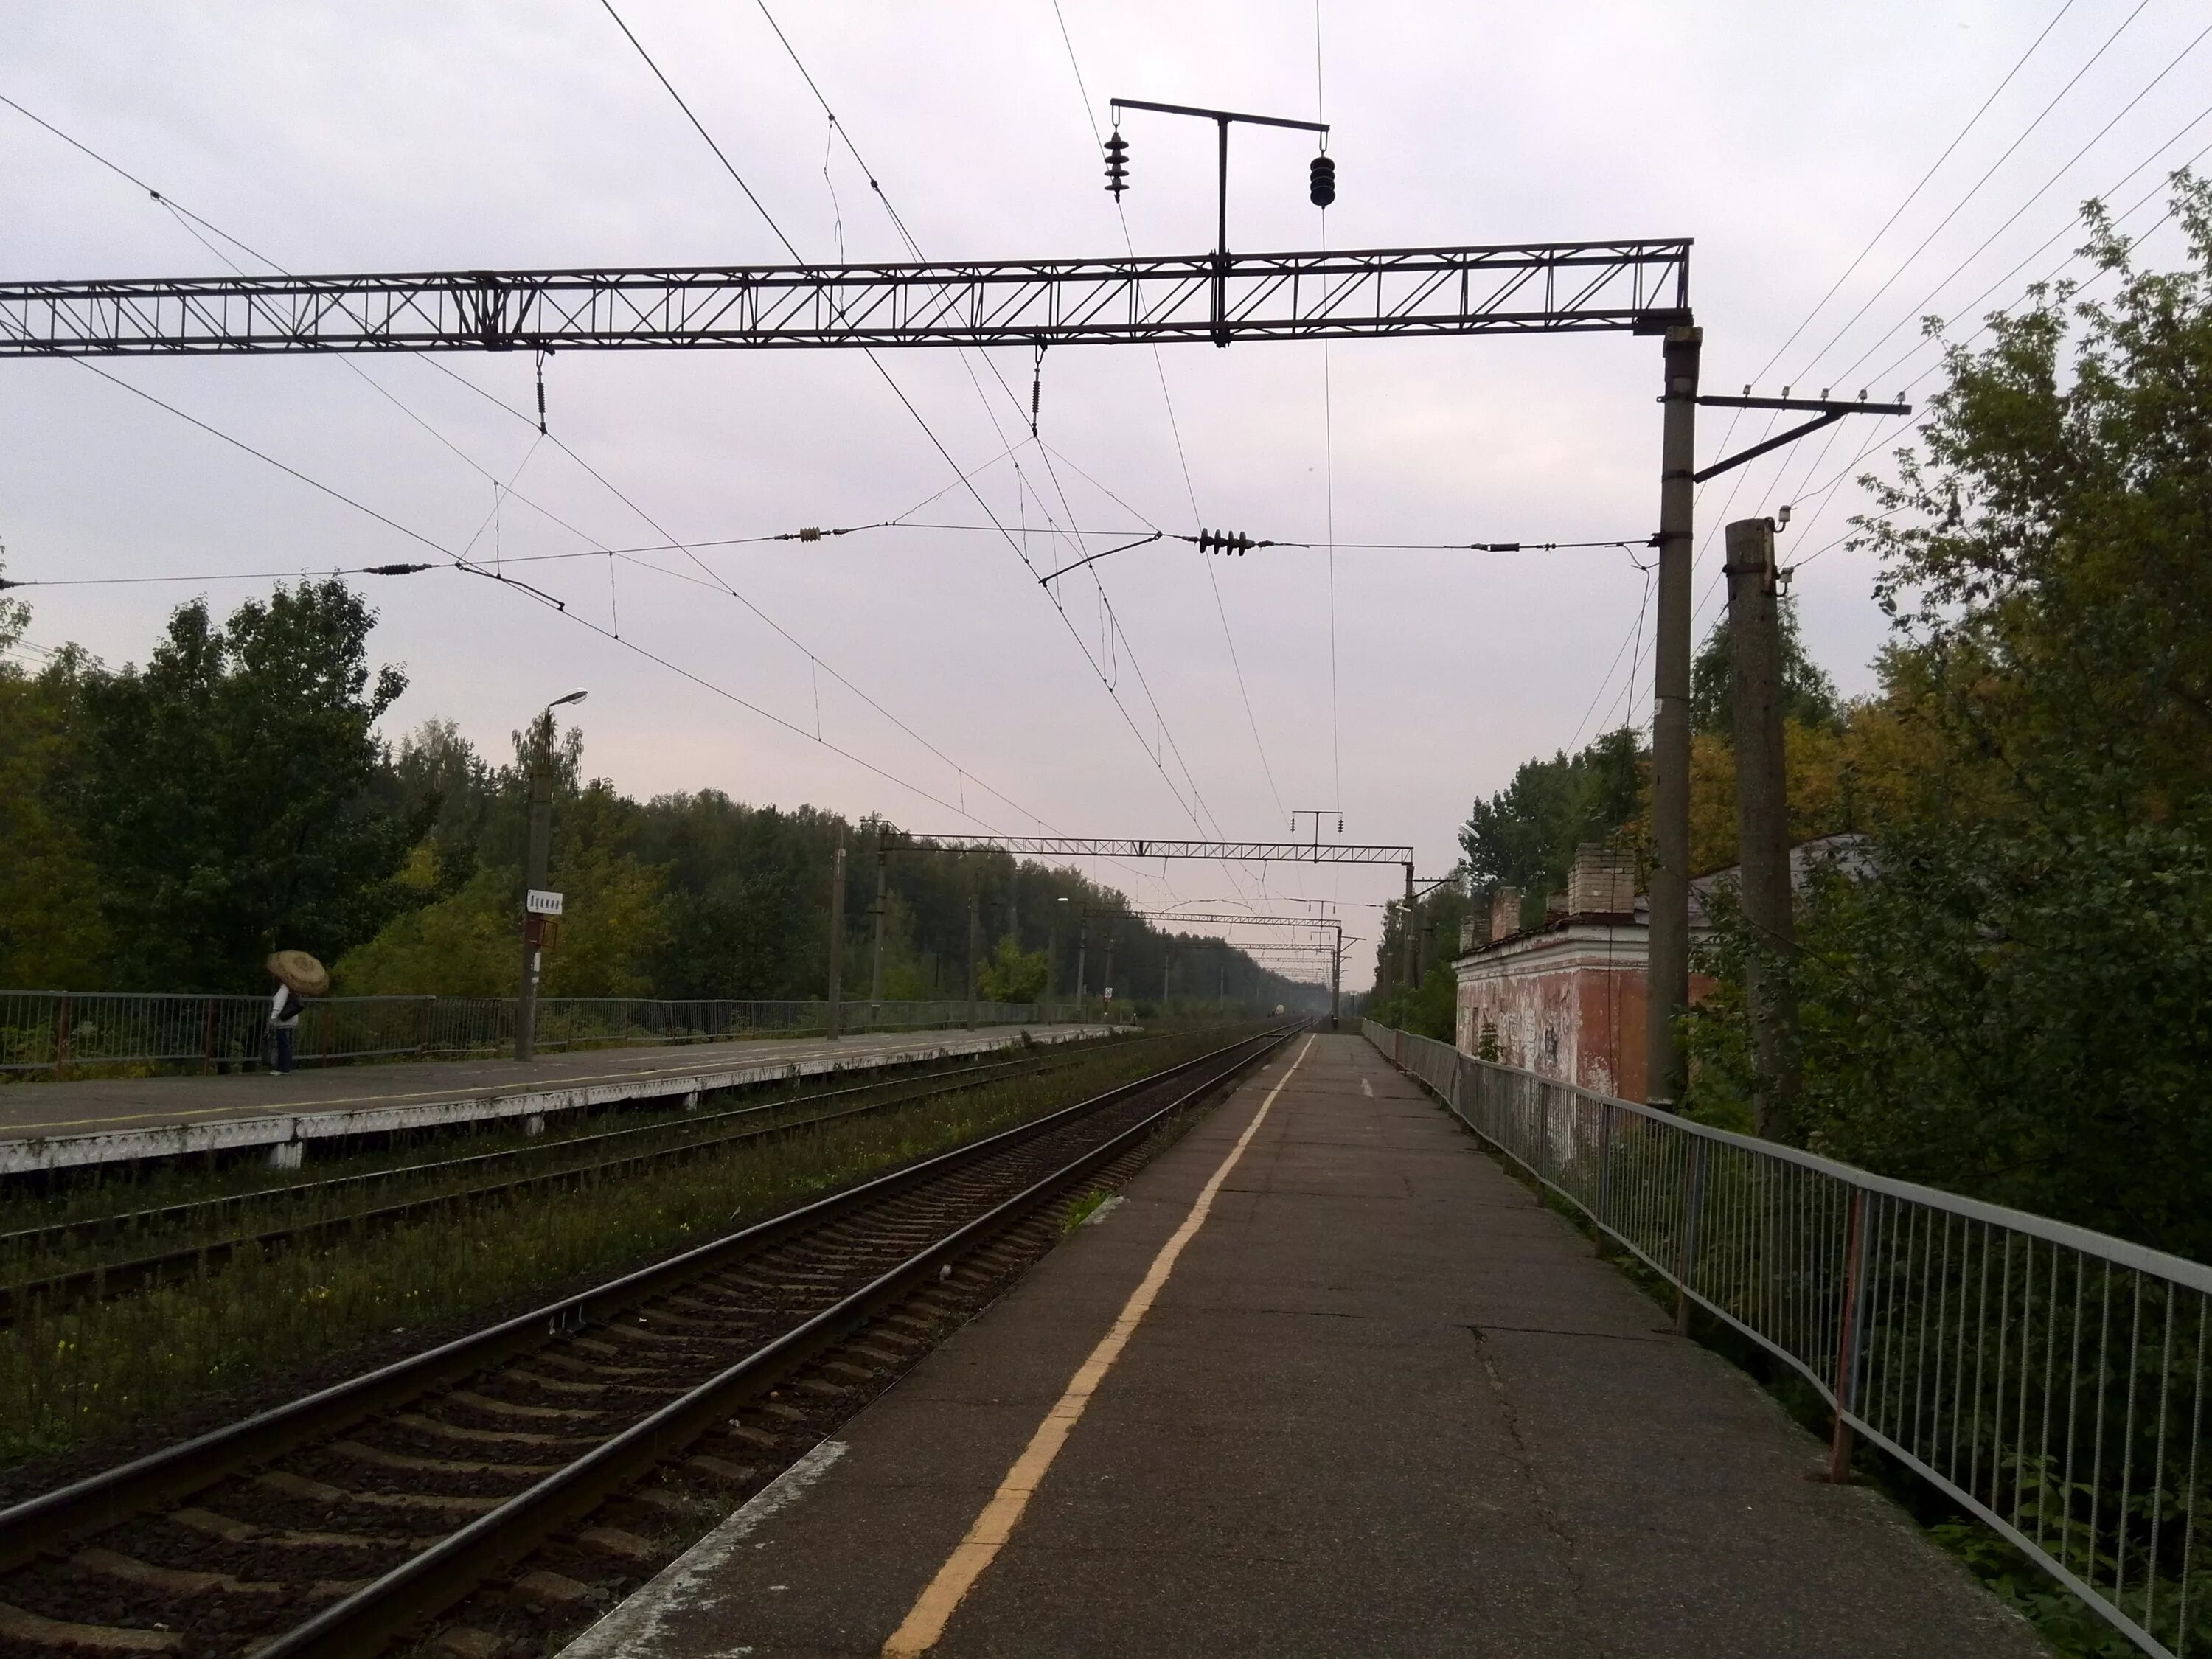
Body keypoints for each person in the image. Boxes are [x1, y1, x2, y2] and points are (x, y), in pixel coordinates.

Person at [268, 976, 304, 1074]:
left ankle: (282, 1068)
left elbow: (278, 1005)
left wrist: (273, 1018)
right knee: (288, 1044)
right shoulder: (293, 989)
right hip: (292, 1020)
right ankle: (287, 1066)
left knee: (283, 1044)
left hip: (284, 1021)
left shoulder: (284, 989)